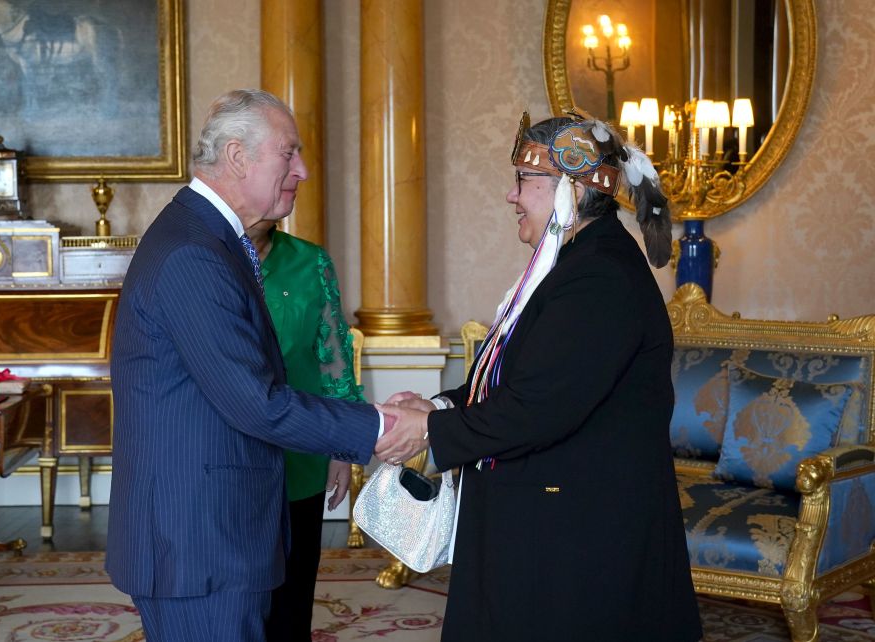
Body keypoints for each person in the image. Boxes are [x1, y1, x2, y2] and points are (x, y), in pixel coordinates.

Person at [376, 110, 703, 641]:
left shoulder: (599, 276)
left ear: (569, 191)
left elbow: (538, 407)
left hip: (580, 537)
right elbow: (513, 377)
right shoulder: (572, 264)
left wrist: (431, 433)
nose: (512, 196)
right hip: (553, 519)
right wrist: (439, 407)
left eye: (523, 181)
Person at [106, 89, 386, 642]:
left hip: (211, 531)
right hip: (200, 543)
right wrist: (379, 428)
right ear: (238, 157)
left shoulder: (206, 237)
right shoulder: (195, 252)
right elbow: (253, 402)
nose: (302, 170)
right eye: (290, 153)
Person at [245, 220, 363, 641]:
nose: (295, 179)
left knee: (292, 599)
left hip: (302, 450)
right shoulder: (207, 254)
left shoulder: (310, 261)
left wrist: (343, 445)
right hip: (229, 457)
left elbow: (334, 358)